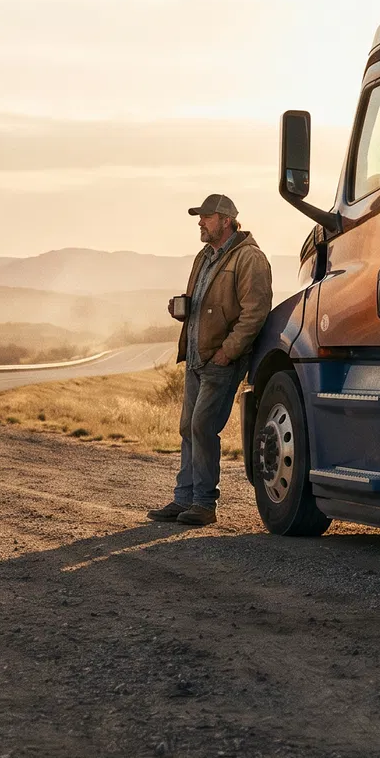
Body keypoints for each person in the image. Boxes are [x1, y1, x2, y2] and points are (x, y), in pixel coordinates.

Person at [149, 193, 272, 527]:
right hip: (196, 356)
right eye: (200, 217)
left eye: (206, 217)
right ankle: (184, 499)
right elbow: (205, 303)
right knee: (188, 428)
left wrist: (228, 351)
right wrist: (184, 309)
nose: (200, 223)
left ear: (226, 220)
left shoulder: (250, 258)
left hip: (222, 360)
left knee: (203, 426)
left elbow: (255, 312)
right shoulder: (205, 257)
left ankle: (204, 504)